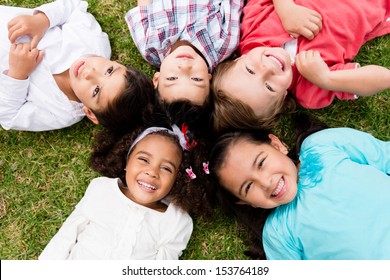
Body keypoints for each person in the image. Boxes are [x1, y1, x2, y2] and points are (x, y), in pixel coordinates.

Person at [209, 113, 390, 259]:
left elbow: (385, 156)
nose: (265, 183)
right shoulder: (277, 235)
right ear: (246, 203)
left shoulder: (322, 146)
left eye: (261, 163)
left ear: (277, 145)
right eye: (248, 187)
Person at [39, 121, 213, 259]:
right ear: (126, 162)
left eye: (166, 168)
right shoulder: (102, 190)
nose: (152, 172)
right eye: (144, 159)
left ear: (177, 180)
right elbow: (66, 235)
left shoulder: (176, 221)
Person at [211, 0, 390, 133]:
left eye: (250, 70)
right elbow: (383, 78)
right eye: (269, 87)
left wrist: (286, 9)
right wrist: (327, 79)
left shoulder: (251, 35)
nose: (268, 69)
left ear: (237, 60)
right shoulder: (309, 88)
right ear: (282, 99)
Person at [0, 0, 154, 133]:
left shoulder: (61, 113)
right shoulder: (93, 42)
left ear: (90, 113)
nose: (89, 73)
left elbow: (10, 116)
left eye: (96, 91)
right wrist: (42, 20)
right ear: (118, 63)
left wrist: (17, 74)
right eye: (109, 71)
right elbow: (75, 6)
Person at [125, 0, 243, 109]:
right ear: (208, 78)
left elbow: (143, 7)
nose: (185, 67)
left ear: (156, 79)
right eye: (196, 79)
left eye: (172, 78)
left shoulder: (148, 47)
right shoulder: (223, 43)